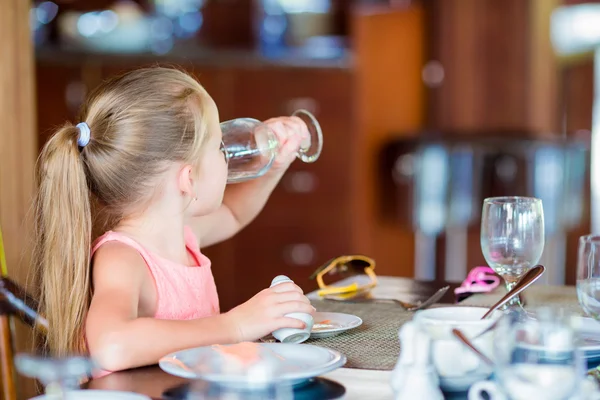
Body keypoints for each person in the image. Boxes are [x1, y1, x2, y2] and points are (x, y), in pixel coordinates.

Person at [32, 66, 315, 372]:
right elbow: (111, 346)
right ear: (189, 180)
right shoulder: (122, 258)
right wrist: (235, 325)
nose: (228, 156)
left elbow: (234, 214)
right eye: (219, 146)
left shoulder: (182, 235)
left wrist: (275, 164)